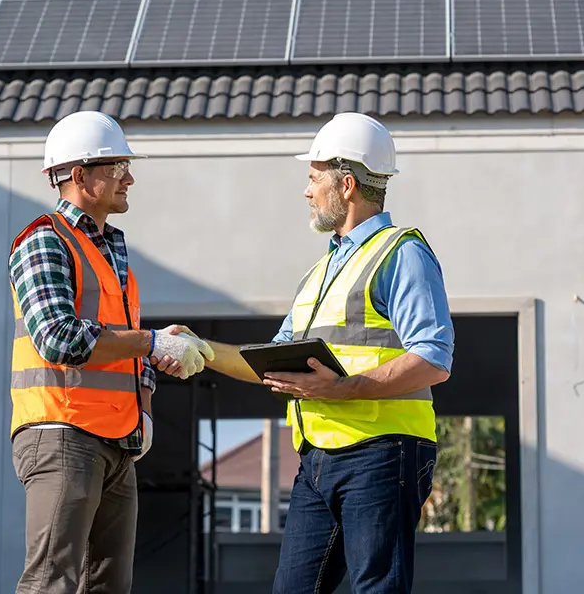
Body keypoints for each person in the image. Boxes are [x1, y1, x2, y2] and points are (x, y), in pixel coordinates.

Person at [160, 112, 454, 593]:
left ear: (347, 184)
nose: (307, 190)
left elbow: (434, 356)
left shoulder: (402, 253)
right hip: (318, 459)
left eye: (314, 177)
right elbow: (274, 359)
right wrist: (202, 348)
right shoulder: (321, 272)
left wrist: (343, 389)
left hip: (382, 454)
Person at [7, 110, 214, 594]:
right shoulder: (45, 239)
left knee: (108, 586)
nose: (130, 178)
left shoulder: (108, 251)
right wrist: (151, 341)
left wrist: (153, 361)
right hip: (62, 432)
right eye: (117, 167)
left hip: (116, 440)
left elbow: (115, 347)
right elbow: (58, 337)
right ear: (79, 176)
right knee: (51, 581)